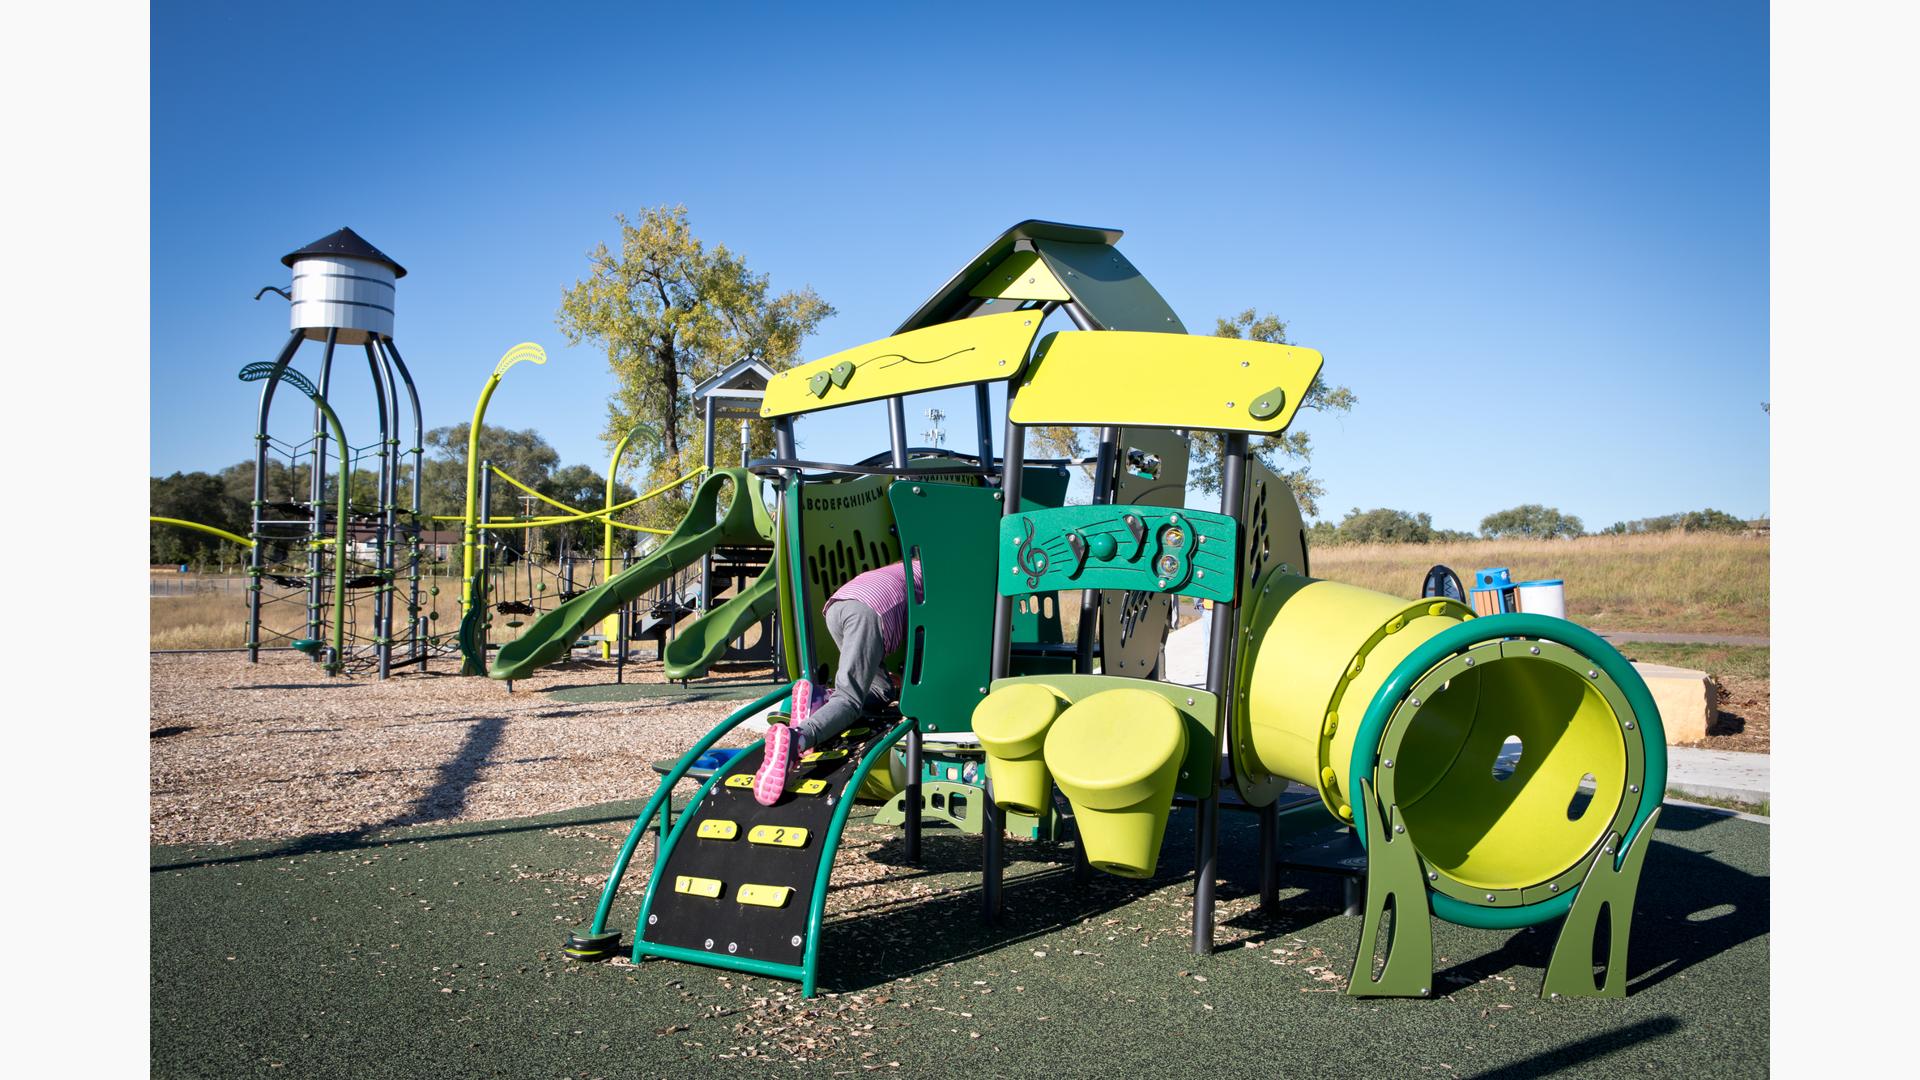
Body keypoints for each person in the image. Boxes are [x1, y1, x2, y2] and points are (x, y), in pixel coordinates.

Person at [754, 557, 922, 805]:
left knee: (881, 689)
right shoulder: (940, 578)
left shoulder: (912, 563)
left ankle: (821, 701)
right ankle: (797, 738)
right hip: (869, 611)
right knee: (850, 700)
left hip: (839, 603)